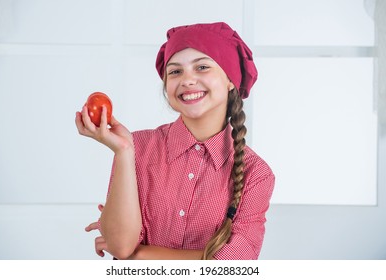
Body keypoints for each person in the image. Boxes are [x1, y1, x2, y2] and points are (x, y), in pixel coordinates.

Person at [75, 22, 275, 260]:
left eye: (202, 67)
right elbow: (120, 247)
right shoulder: (135, 147)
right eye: (175, 71)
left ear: (231, 79)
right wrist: (123, 152)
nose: (187, 80)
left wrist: (138, 255)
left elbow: (235, 263)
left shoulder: (257, 174)